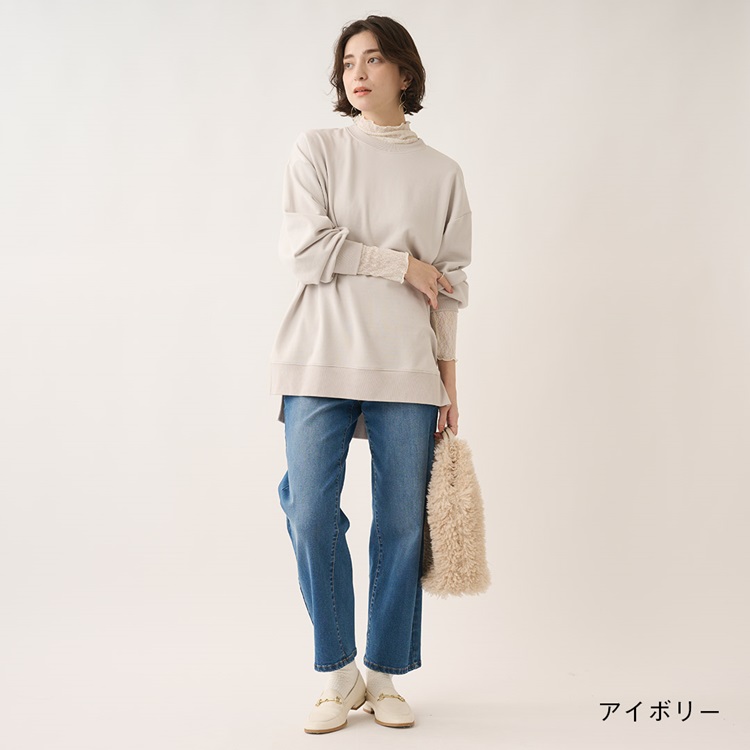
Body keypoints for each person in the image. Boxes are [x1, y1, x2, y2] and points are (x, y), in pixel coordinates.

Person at [269, 15, 472, 734]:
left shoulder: (442, 173)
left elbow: (448, 289)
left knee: (401, 524)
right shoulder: (318, 149)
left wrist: (450, 386)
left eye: (374, 59)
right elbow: (305, 249)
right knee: (310, 513)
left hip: (408, 367)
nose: (357, 73)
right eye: (348, 61)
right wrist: (399, 265)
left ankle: (384, 675)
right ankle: (337, 674)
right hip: (318, 355)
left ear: (404, 73)